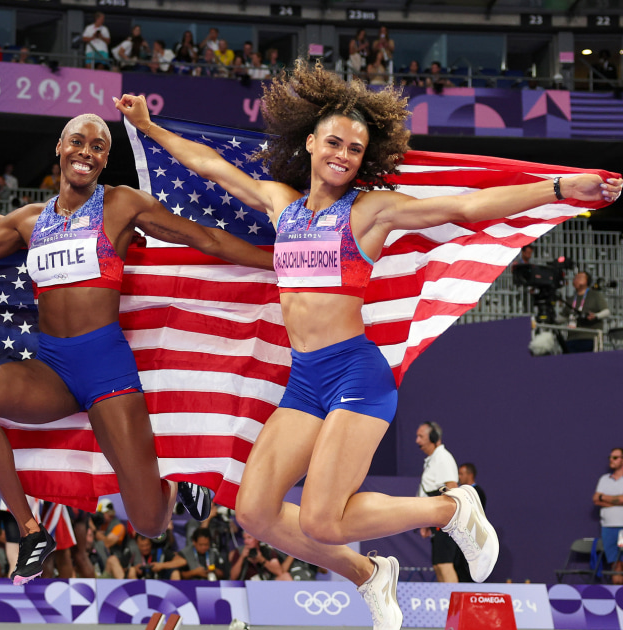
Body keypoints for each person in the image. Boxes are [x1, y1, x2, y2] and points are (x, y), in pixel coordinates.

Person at [115, 60, 620, 630]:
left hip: (356, 375)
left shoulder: (368, 212)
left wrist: (556, 188)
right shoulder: (282, 204)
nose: (343, 155)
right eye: (334, 141)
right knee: (254, 510)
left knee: (323, 520)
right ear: (309, 142)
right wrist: (151, 130)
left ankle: (453, 507)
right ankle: (369, 574)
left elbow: (463, 208)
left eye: (355, 149)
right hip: (305, 378)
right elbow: (212, 168)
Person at [0, 113, 273, 585]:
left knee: (150, 524)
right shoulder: (28, 221)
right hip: (51, 367)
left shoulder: (121, 205)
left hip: (107, 371)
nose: (86, 152)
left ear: (104, 160)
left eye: (97, 147)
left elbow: (205, 238)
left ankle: (181, 474)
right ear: (59, 146)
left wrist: (280, 261)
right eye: (78, 141)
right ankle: (31, 531)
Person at [416, 422, 460, 582]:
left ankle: (455, 606)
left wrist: (445, 521)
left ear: (434, 438)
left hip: (445, 520)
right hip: (437, 520)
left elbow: (452, 488)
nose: (417, 441)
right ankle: (446, 604)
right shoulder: (433, 459)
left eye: (421, 436)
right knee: (438, 565)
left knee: (444, 564)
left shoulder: (442, 458)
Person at [595, 447, 623, 585]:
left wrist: (604, 497)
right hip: (608, 527)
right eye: (610, 457)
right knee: (615, 565)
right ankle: (619, 599)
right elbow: (596, 499)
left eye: (615, 457)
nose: (611, 460)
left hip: (622, 527)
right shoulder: (604, 479)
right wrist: (617, 500)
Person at [561, 271, 609, 353]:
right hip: (572, 338)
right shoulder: (570, 299)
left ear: (587, 281)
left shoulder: (595, 295)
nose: (576, 279)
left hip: (590, 337)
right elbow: (563, 317)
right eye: (575, 278)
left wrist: (595, 316)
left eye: (580, 278)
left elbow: (606, 311)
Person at [454, 462, 485, 583]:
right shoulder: (463, 491)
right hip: (462, 534)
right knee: (457, 564)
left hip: (472, 536)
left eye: (461, 474)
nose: (459, 477)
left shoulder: (477, 492)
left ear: (470, 475)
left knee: (467, 566)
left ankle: (471, 593)